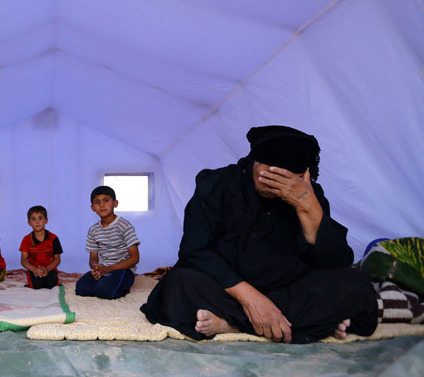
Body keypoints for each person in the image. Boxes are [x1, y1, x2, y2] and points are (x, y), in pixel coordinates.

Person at [140, 125, 378, 344]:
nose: (271, 178)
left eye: (284, 175)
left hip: (288, 288)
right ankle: (307, 324)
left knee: (355, 285)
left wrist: (308, 208)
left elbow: (336, 260)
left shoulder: (309, 195)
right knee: (178, 286)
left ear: (302, 176)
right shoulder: (217, 185)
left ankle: (232, 325)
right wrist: (253, 300)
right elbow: (195, 250)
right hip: (228, 288)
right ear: (252, 160)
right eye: (266, 168)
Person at [76, 186, 141, 299]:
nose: (101, 205)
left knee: (104, 290)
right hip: (103, 269)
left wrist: (110, 269)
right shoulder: (93, 230)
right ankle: (107, 285)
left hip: (123, 270)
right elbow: (93, 258)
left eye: (106, 200)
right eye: (97, 202)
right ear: (92, 207)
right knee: (80, 288)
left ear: (115, 203)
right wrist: (96, 268)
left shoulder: (124, 226)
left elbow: (134, 258)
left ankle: (122, 287)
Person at [19, 205, 63, 289]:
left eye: (40, 218)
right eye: (33, 219)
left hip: (49, 269)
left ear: (46, 220)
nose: (37, 221)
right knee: (36, 285)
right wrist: (34, 269)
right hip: (34, 269)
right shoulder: (26, 239)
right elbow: (23, 260)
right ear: (29, 222)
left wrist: (47, 269)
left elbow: (57, 259)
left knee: (51, 284)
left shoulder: (54, 238)